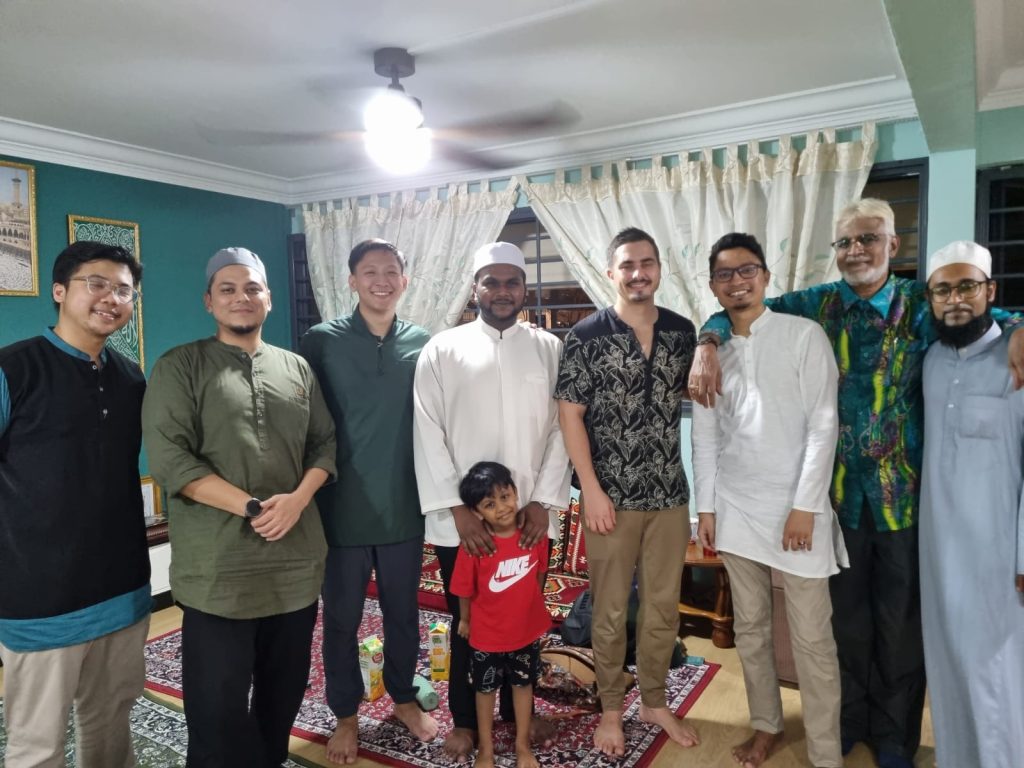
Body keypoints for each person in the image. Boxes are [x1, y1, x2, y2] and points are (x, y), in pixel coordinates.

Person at [689, 199, 1024, 767]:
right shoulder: (817, 305)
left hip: (905, 500)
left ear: (893, 245)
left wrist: (1018, 326)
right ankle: (845, 725)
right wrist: (707, 341)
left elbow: (977, 309)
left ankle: (894, 739)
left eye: (869, 238)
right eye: (845, 242)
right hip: (838, 496)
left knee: (899, 629)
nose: (856, 250)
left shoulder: (924, 302)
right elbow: (743, 308)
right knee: (846, 626)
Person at [142, 247, 336, 768]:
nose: (241, 297)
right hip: (219, 570)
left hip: (294, 566)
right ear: (209, 301)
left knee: (281, 698)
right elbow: (170, 460)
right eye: (227, 289)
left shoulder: (296, 368)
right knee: (217, 711)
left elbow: (324, 444)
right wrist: (252, 507)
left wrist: (298, 499)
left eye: (252, 288)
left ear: (269, 298)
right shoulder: (181, 366)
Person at [413, 241, 570, 762]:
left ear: (524, 288)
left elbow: (561, 429)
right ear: (475, 288)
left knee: (523, 620)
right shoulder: (443, 348)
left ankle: (516, 714)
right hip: (467, 525)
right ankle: (464, 720)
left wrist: (543, 501)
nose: (502, 291)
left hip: (529, 521)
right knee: (469, 623)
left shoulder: (549, 348)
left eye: (512, 282)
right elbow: (427, 430)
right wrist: (457, 508)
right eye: (491, 282)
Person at [691, 232, 843, 768]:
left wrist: (805, 506)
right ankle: (765, 727)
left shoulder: (804, 336)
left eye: (746, 270)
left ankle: (826, 752)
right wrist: (706, 511)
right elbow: (705, 437)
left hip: (798, 510)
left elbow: (824, 425)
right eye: (725, 274)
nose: (737, 282)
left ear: (765, 276)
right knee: (751, 630)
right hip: (736, 506)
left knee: (813, 639)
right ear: (713, 285)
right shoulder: (710, 354)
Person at [0, 241, 151, 768]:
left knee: (110, 728)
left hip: (123, 591)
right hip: (42, 600)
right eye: (97, 284)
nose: (112, 298)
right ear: (60, 291)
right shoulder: (13, 370)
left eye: (124, 291)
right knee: (37, 746)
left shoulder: (131, 377)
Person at [555, 226, 699, 756]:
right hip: (609, 498)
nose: (638, 273)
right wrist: (590, 490)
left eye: (647, 263)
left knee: (663, 608)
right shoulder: (586, 335)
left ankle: (655, 701)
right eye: (628, 265)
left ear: (659, 268)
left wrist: (709, 344)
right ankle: (612, 709)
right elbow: (569, 414)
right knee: (610, 610)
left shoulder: (683, 332)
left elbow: (705, 379)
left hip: (669, 494)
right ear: (611, 273)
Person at [300, 239, 437, 765]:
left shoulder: (423, 342)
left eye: (391, 271)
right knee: (341, 618)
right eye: (369, 271)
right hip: (340, 507)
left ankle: (402, 696)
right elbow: (302, 419)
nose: (382, 280)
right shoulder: (321, 341)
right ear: (352, 280)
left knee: (404, 613)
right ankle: (345, 714)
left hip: (404, 504)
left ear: (405, 280)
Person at [919, 240, 1024, 768]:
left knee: (996, 672)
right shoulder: (931, 360)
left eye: (967, 287)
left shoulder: (1016, 359)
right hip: (938, 549)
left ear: (991, 291)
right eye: (943, 290)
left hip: (998, 555)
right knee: (947, 666)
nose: (955, 299)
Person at [451, 462, 551, 768]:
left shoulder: (534, 537)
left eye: (505, 497)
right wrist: (465, 620)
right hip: (487, 637)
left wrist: (535, 605)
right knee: (485, 691)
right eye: (490, 504)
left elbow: (540, 574)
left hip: (524, 633)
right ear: (477, 512)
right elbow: (464, 589)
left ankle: (522, 746)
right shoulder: (474, 546)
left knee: (523, 686)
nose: (502, 508)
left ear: (516, 493)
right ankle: (486, 749)